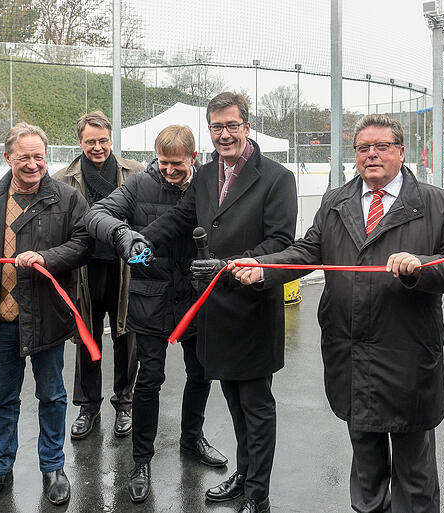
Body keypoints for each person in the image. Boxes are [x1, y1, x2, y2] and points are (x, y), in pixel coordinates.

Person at [231, 114, 444, 513]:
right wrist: (264, 268)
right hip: (350, 353)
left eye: (382, 146)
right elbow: (308, 251)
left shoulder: (438, 204)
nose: (371, 155)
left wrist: (420, 265)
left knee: (414, 473)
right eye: (363, 148)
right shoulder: (336, 202)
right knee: (366, 466)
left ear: (400, 152)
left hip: (407, 355)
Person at [131, 92, 297, 513]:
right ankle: (243, 476)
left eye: (232, 126)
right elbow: (180, 219)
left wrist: (231, 265)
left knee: (256, 407)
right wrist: (139, 239)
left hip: (253, 309)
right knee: (235, 404)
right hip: (216, 312)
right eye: (217, 127)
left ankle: (257, 496)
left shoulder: (277, 178)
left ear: (247, 126)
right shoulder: (205, 175)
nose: (224, 134)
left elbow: (280, 242)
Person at [85, 125, 228, 503]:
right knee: (148, 380)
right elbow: (96, 214)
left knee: (200, 373)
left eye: (177, 164)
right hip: (149, 298)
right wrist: (122, 236)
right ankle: (141, 459)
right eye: (163, 163)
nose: (169, 171)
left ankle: (192, 438)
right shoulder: (139, 185)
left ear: (193, 158)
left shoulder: (212, 187)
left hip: (196, 299)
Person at [0, 123, 92, 511]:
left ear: (45, 156)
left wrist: (46, 258)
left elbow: (83, 244)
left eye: (38, 156)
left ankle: (53, 467)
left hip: (48, 317)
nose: (32, 164)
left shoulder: (68, 199)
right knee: (3, 398)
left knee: (51, 395)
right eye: (24, 157)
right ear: (8, 158)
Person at [53, 111, 142, 440]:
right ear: (79, 142)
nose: (97, 147)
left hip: (123, 269)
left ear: (111, 139)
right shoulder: (64, 178)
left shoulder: (134, 173)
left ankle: (124, 402)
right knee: (87, 338)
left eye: (103, 140)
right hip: (84, 271)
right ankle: (88, 405)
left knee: (125, 336)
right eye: (90, 141)